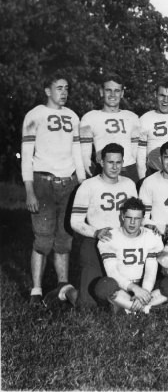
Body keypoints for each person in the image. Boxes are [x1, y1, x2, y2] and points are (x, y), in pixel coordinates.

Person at [21, 76, 85, 305]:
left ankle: (62, 285)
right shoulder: (34, 115)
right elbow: (26, 156)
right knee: (43, 239)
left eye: (67, 88)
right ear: (47, 90)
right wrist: (29, 190)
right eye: (59, 88)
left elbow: (77, 153)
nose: (64, 92)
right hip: (43, 182)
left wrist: (83, 182)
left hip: (69, 181)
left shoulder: (73, 116)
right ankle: (36, 291)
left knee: (64, 238)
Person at [70, 143, 137, 308]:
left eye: (118, 162)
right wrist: (95, 232)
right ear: (101, 162)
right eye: (110, 162)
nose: (114, 167)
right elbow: (75, 221)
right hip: (95, 241)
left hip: (123, 241)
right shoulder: (88, 185)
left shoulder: (129, 184)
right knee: (86, 305)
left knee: (122, 299)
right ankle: (65, 291)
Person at [93, 198, 168, 313]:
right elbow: (112, 273)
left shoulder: (151, 236)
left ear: (143, 219)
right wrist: (135, 289)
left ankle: (129, 308)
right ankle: (148, 308)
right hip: (121, 287)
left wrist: (144, 292)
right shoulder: (110, 237)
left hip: (144, 284)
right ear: (122, 217)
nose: (132, 223)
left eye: (137, 219)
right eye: (129, 218)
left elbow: (150, 270)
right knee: (104, 286)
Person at [79, 73, 140, 182]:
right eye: (108, 90)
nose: (113, 94)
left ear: (122, 93)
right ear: (101, 92)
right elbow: (85, 155)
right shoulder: (90, 117)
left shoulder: (132, 117)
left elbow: (136, 153)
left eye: (117, 91)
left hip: (129, 170)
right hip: (103, 169)